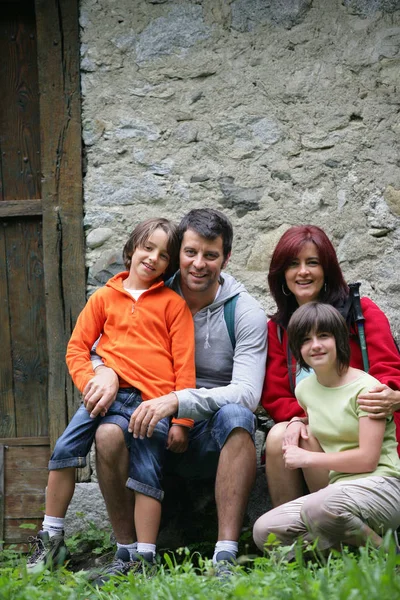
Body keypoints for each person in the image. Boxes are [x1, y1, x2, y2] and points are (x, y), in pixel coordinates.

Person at [86, 208, 268, 577]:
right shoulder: (150, 292)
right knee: (106, 433)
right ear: (178, 252)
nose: (199, 264)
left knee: (238, 416)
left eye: (211, 255)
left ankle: (225, 555)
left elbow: (248, 393)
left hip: (206, 432)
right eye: (190, 252)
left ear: (226, 258)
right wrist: (102, 370)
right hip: (146, 422)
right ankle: (127, 554)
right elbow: (99, 341)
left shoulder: (245, 312)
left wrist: (180, 402)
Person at [27, 217, 196, 573]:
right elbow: (76, 349)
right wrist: (92, 381)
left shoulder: (173, 305)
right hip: (106, 397)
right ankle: (51, 536)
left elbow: (184, 367)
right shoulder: (103, 298)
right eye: (147, 247)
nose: (153, 258)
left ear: (169, 265)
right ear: (132, 248)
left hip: (152, 404)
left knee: (146, 471)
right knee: (63, 450)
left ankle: (144, 558)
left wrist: (181, 420)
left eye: (164, 255)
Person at [261, 225, 400, 507]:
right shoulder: (277, 330)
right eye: (293, 264)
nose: (303, 272)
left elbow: (388, 369)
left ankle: (338, 525)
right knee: (278, 437)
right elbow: (276, 396)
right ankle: (292, 539)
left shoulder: (361, 313)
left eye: (312, 262)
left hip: (363, 427)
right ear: (281, 274)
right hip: (314, 430)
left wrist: (390, 394)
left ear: (327, 269)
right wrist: (303, 418)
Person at [253, 302, 400, 554]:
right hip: (337, 492)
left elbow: (367, 460)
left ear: (339, 340)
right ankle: (340, 554)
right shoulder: (305, 390)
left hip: (382, 486)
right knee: (265, 531)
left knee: (319, 509)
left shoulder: (367, 389)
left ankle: (390, 558)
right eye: (306, 340)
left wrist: (308, 458)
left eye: (323, 336)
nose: (316, 345)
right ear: (298, 349)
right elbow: (327, 416)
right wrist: (298, 422)